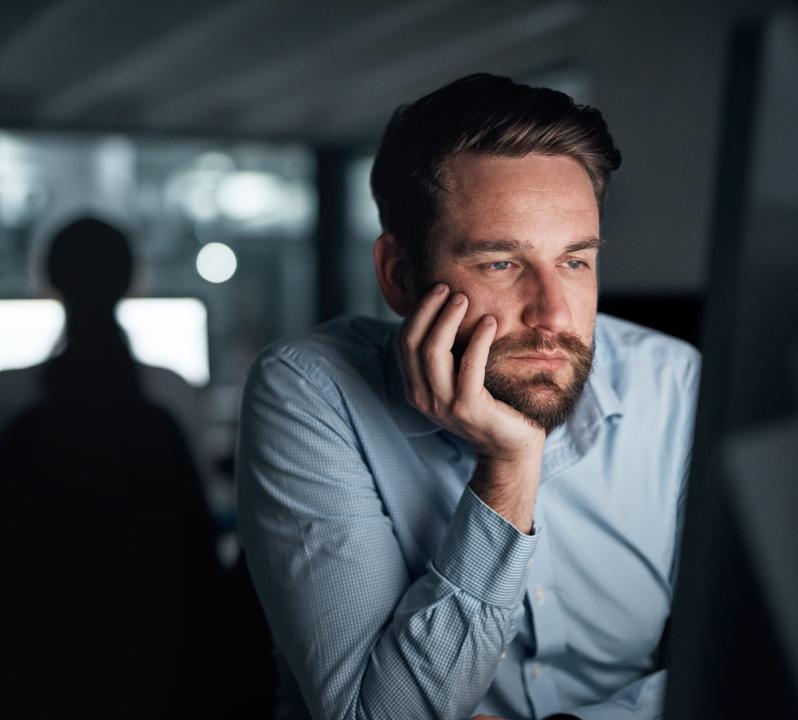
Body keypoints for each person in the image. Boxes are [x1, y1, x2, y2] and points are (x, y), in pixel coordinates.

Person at [236, 74, 700, 720]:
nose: (554, 315)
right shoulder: (312, 391)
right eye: (501, 264)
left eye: (575, 262)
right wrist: (509, 470)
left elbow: (740, 666)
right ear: (400, 276)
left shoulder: (675, 386)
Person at [0, 218, 222, 719]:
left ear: (45, 279)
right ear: (134, 281)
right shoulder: (174, 394)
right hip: (158, 658)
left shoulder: (7, 396)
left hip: (28, 658)